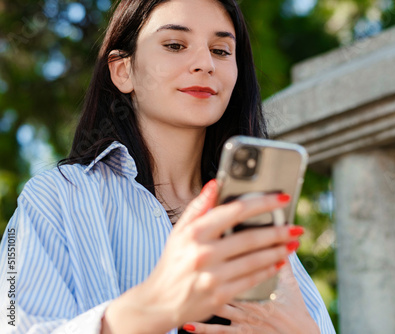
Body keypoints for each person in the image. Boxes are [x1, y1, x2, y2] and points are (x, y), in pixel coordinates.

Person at [0, 0, 336, 333]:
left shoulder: (252, 219)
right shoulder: (55, 197)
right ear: (123, 70)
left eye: (221, 51)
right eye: (175, 45)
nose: (205, 63)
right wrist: (150, 308)